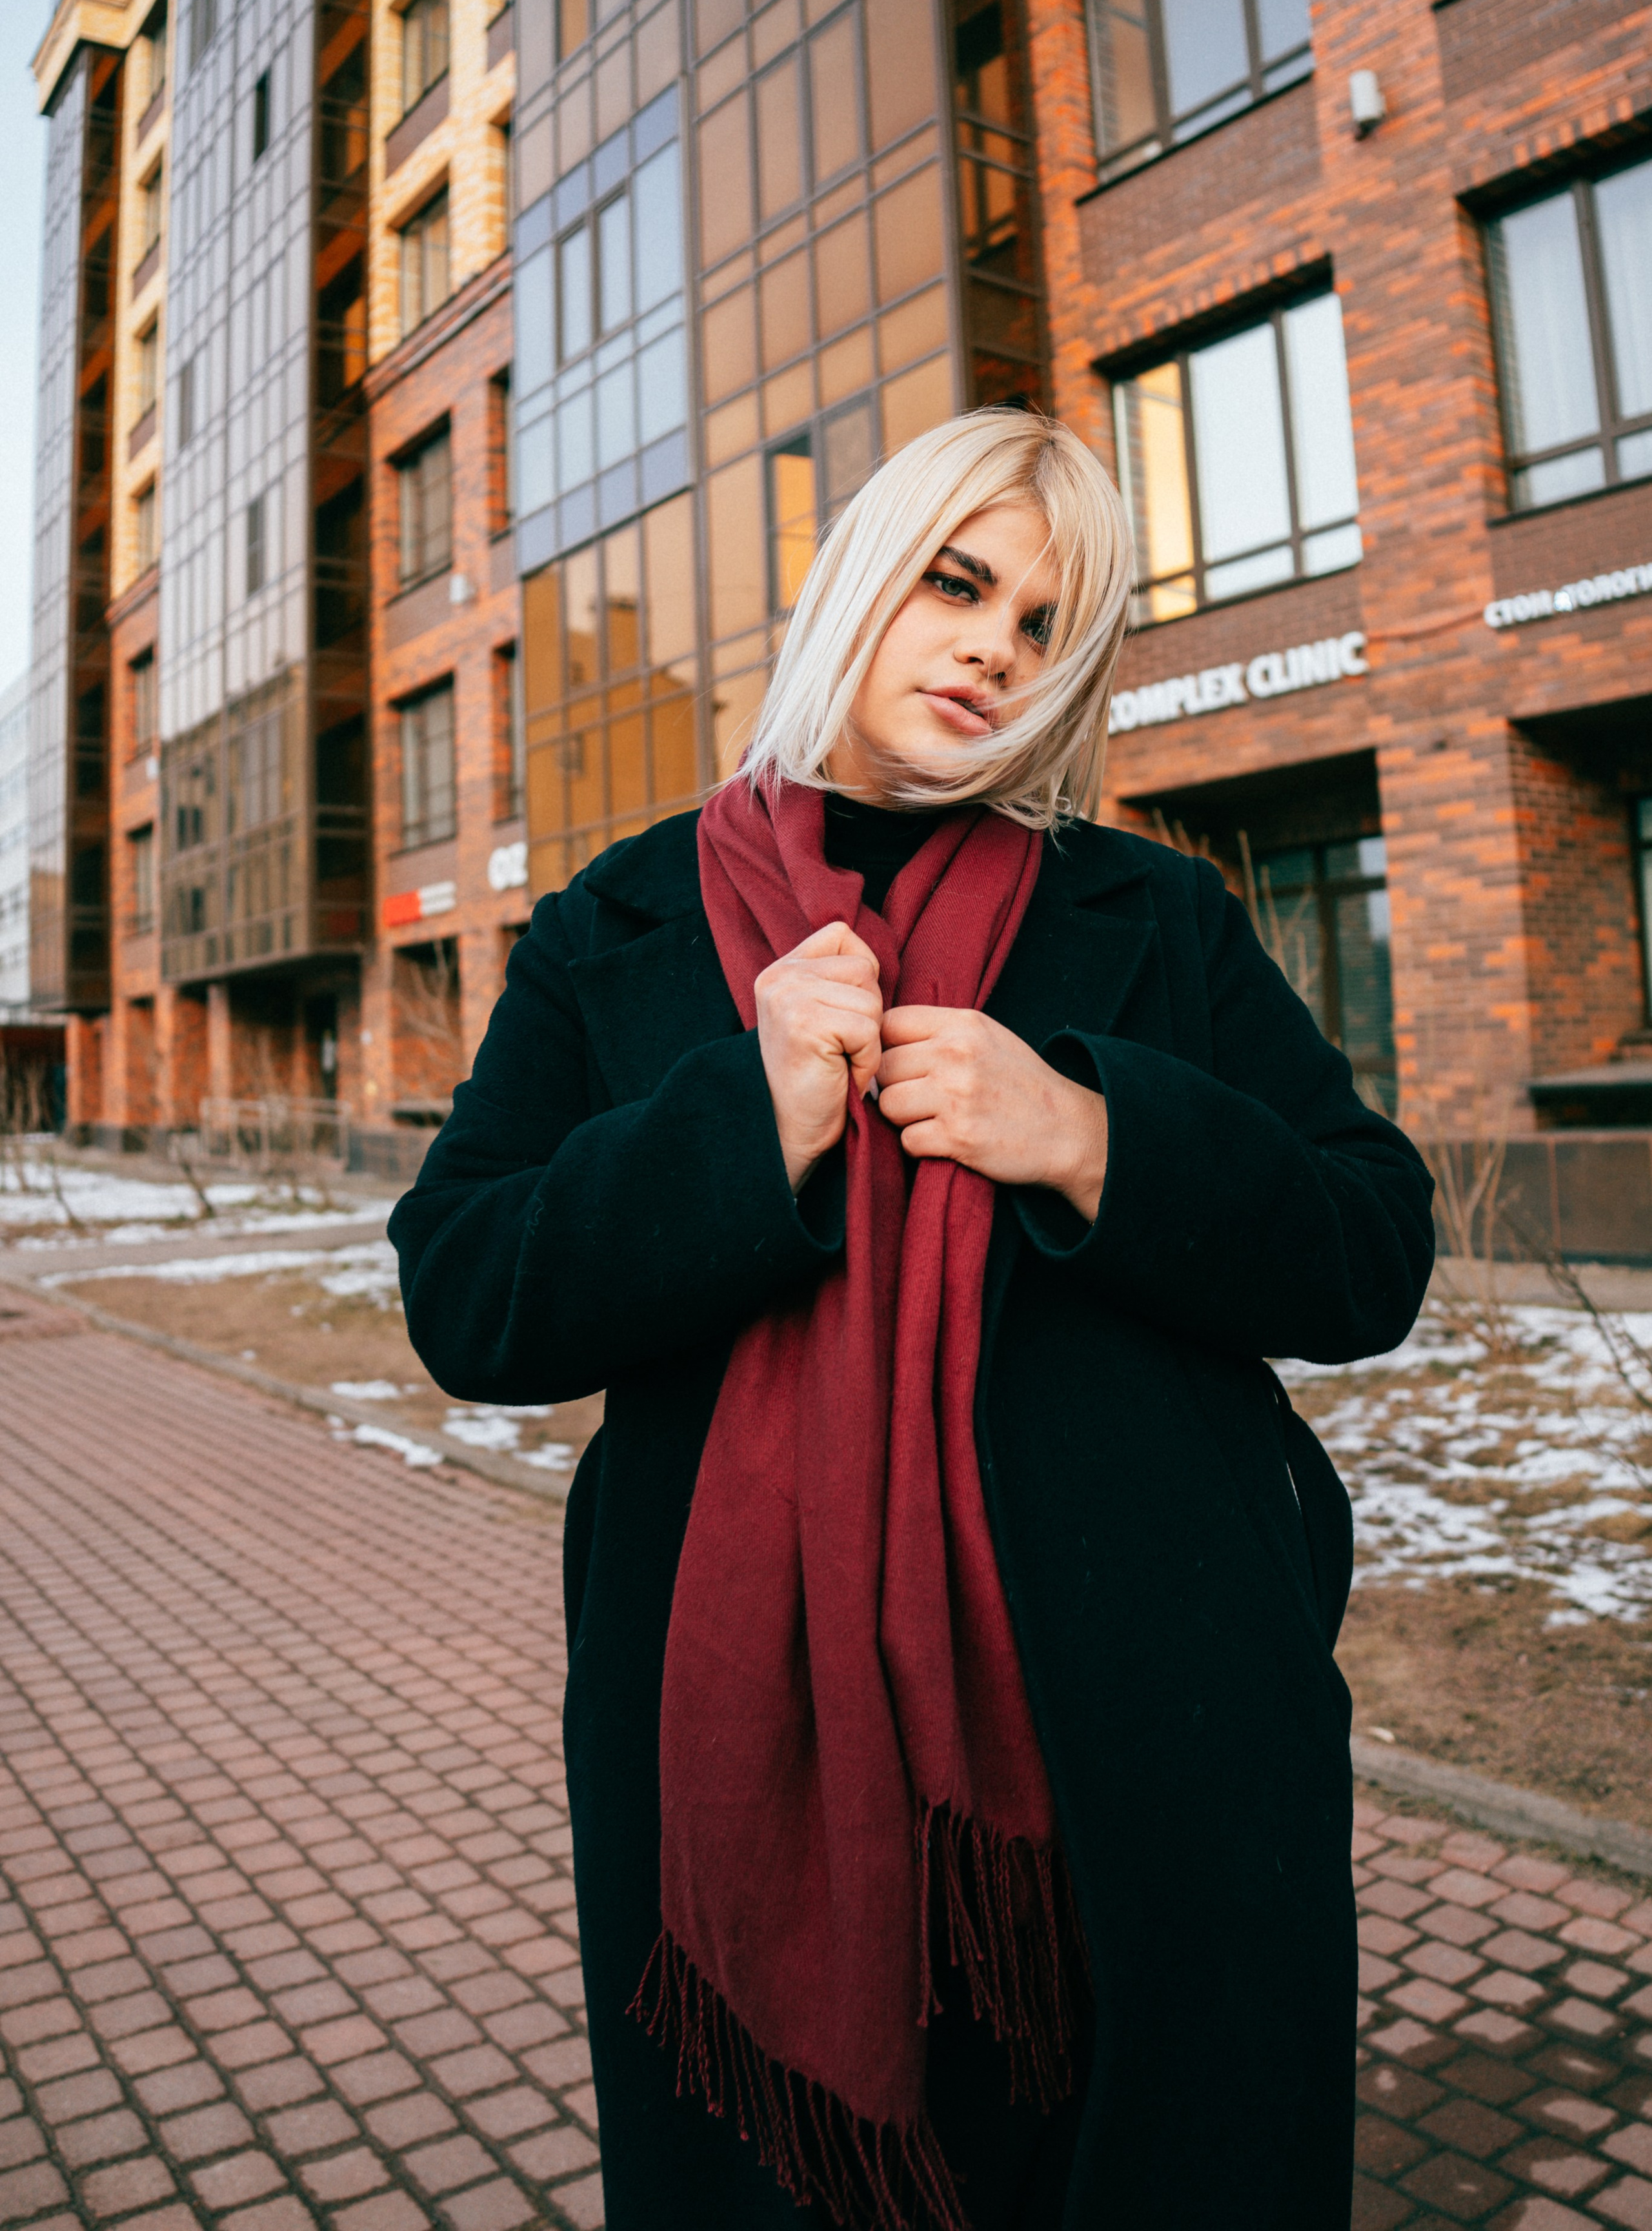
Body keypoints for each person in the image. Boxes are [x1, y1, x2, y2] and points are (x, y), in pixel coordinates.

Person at [390, 407, 1434, 2231]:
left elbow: (1371, 1245)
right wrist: (745, 1124)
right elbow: (471, 1295)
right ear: (864, 576)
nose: (992, 651)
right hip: (740, 1756)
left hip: (1164, 1757)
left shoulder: (1156, 922)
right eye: (960, 584)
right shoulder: (613, 931)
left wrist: (1097, 1136)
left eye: (1047, 627)